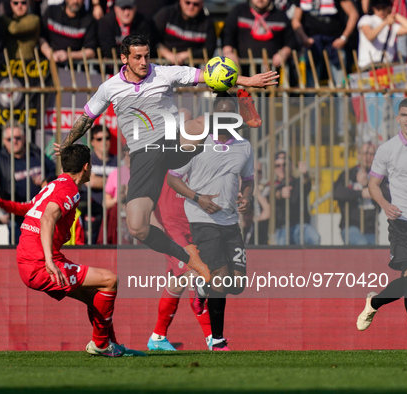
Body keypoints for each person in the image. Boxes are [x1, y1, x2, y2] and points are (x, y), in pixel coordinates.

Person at [55, 34, 278, 283]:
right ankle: (188, 257)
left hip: (172, 142)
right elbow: (87, 117)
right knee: (137, 227)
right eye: (137, 57)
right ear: (124, 58)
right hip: (143, 156)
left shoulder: (164, 73)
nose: (143, 62)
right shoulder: (110, 87)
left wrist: (247, 80)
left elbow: (208, 76)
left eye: (147, 56)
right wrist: (66, 143)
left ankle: (243, 117)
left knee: (197, 123)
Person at [0, 144, 143, 356]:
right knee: (110, 280)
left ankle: (112, 345)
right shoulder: (70, 190)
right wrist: (48, 260)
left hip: (29, 259)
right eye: (91, 165)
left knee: (96, 295)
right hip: (40, 263)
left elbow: (30, 208)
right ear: (86, 167)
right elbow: (47, 217)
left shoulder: (54, 185)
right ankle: (101, 345)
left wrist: (1, 203)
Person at [167, 93, 254, 351]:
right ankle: (217, 340)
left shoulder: (244, 146)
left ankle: (202, 290)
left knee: (237, 285)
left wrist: (246, 197)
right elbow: (173, 178)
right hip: (201, 217)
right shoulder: (197, 143)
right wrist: (198, 198)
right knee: (222, 277)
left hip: (230, 220)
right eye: (220, 115)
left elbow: (248, 180)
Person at [357, 98, 407, 350]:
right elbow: (373, 184)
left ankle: (375, 303)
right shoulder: (387, 149)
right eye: (404, 115)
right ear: (397, 118)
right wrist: (384, 204)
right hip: (402, 223)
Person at [147, 173, 212, 351]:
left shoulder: (202, 154)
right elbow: (144, 186)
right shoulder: (166, 154)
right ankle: (213, 338)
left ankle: (158, 336)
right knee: (195, 273)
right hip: (170, 226)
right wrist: (152, 220)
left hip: (194, 225)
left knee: (177, 282)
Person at [0, 125, 56, 243]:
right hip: (17, 215)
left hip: (41, 211)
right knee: (20, 249)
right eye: (10, 139)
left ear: (24, 138)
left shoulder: (35, 153)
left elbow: (53, 169)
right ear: (4, 141)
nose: (14, 141)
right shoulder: (0, 160)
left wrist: (46, 181)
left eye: (18, 138)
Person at [334, 141, 390, 245]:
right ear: (359, 155)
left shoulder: (379, 177)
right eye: (365, 154)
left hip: (371, 228)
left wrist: (370, 185)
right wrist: (360, 193)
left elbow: (389, 196)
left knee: (372, 257)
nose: (367, 157)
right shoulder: (348, 175)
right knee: (362, 244)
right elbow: (336, 192)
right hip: (350, 226)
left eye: (371, 154)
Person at [291, 0, 358, 87]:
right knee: (311, 86)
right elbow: (295, 20)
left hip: (334, 42)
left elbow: (353, 14)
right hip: (313, 43)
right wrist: (304, 37)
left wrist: (344, 38)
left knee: (340, 85)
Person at [222, 0, 297, 71]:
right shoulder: (239, 11)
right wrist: (228, 53)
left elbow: (291, 41)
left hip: (271, 72)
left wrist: (284, 53)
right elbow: (227, 34)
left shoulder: (281, 16)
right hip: (242, 70)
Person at [271, 151, 321, 245]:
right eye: (278, 165)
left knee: (315, 238)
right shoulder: (271, 185)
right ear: (274, 168)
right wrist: (279, 194)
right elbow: (267, 196)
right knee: (281, 248)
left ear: (291, 165)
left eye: (285, 164)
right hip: (282, 228)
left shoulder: (297, 182)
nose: (282, 168)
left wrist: (305, 175)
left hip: (301, 226)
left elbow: (306, 184)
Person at [152, 0, 216, 64]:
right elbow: (152, 39)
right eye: (187, 3)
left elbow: (209, 49)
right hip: (162, 65)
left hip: (191, 68)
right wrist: (167, 54)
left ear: (202, 4)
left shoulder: (207, 22)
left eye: (196, 4)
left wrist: (185, 55)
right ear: (180, 1)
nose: (191, 7)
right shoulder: (166, 14)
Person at [357, 0, 407, 69]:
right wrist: (384, 23)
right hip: (369, 66)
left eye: (384, 8)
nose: (381, 11)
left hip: (386, 66)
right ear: (373, 8)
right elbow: (370, 36)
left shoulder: (392, 26)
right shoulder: (367, 19)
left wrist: (395, 15)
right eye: (378, 8)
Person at [39, 0, 98, 65]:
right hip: (47, 64)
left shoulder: (88, 20)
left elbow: (91, 52)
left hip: (73, 69)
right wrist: (49, 53)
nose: (75, 1)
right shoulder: (52, 11)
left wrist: (68, 55)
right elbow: (41, 37)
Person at [87, 125, 117, 244]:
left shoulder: (118, 161)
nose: (104, 142)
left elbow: (126, 184)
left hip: (113, 212)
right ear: (92, 142)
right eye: (99, 139)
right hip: (93, 212)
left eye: (107, 138)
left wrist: (98, 180)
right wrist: (114, 181)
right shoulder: (88, 161)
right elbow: (90, 182)